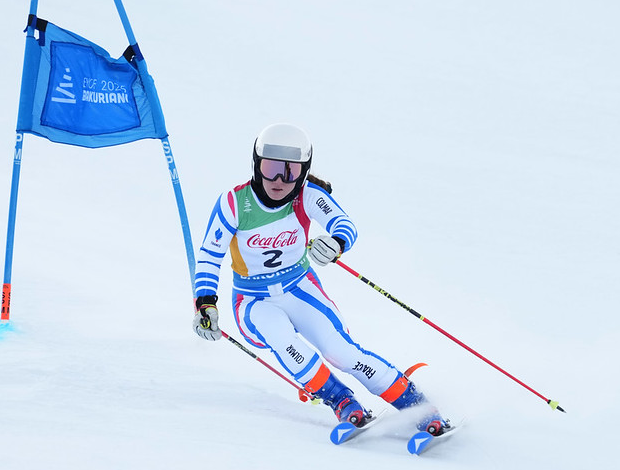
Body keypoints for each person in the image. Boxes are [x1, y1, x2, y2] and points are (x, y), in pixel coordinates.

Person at [191, 123, 449, 435]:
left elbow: (343, 224)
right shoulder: (234, 202)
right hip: (253, 300)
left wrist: (337, 243)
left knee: (341, 352)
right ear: (256, 165)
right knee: (284, 340)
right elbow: (210, 255)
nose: (279, 180)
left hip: (300, 288)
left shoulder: (308, 195)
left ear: (304, 171)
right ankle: (342, 402)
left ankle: (418, 405)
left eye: (290, 171)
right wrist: (205, 304)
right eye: (271, 169)